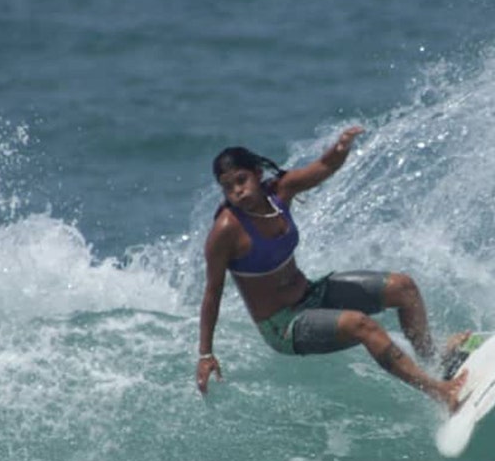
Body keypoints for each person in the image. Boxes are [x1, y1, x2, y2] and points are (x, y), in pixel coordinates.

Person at [195, 126, 466, 410]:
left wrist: (340, 149)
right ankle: (438, 391)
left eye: (242, 180)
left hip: (312, 293)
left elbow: (324, 167)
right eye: (228, 187)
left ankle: (434, 357)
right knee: (362, 325)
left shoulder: (279, 192)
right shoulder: (226, 230)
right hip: (284, 324)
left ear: (257, 174)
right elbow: (212, 294)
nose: (238, 191)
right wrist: (206, 355)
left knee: (403, 288)